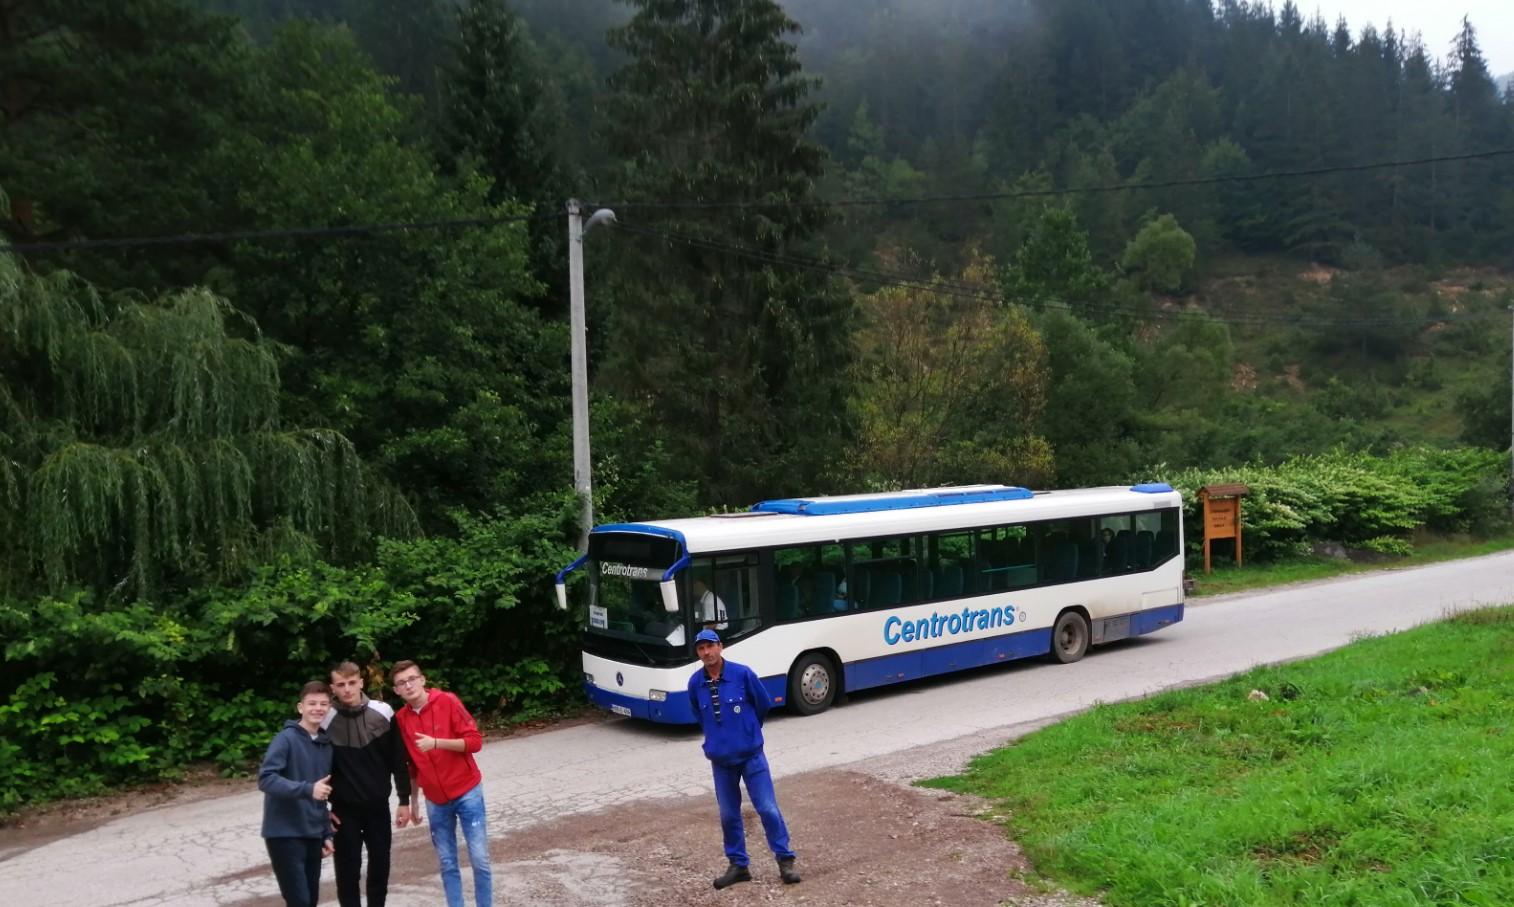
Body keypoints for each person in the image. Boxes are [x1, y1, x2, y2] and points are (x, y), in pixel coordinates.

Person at [686, 629, 800, 889]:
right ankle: (738, 865)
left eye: (710, 646)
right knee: (728, 815)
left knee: (767, 808)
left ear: (720, 647)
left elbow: (763, 704)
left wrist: (748, 731)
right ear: (698, 652)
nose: (707, 652)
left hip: (751, 757)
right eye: (701, 648)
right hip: (721, 761)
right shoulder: (695, 684)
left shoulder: (742, 674)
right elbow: (699, 714)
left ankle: (785, 860)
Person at [390, 660, 492, 907]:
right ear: (396, 691)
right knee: (447, 863)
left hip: (467, 791)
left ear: (423, 680)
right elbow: (411, 765)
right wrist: (413, 801)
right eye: (402, 683)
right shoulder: (401, 719)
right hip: (435, 800)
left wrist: (437, 742)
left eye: (412, 678)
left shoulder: (447, 701)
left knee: (480, 860)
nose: (409, 685)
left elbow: (475, 742)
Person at [324, 661, 414, 907]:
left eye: (352, 683)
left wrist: (404, 800)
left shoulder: (383, 712)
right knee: (347, 872)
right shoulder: (325, 720)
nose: (347, 689)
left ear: (361, 682)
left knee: (380, 867)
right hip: (343, 811)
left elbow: (398, 759)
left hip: (377, 807)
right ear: (333, 688)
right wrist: (321, 811)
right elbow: (315, 772)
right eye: (341, 685)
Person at [258, 681, 336, 907]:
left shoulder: (325, 744)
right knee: (299, 901)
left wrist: (325, 833)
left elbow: (322, 793)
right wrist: (307, 789)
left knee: (310, 900)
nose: (318, 708)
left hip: (311, 833)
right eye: (312, 703)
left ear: (329, 708)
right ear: (300, 707)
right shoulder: (285, 739)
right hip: (284, 834)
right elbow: (266, 778)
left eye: (323, 704)